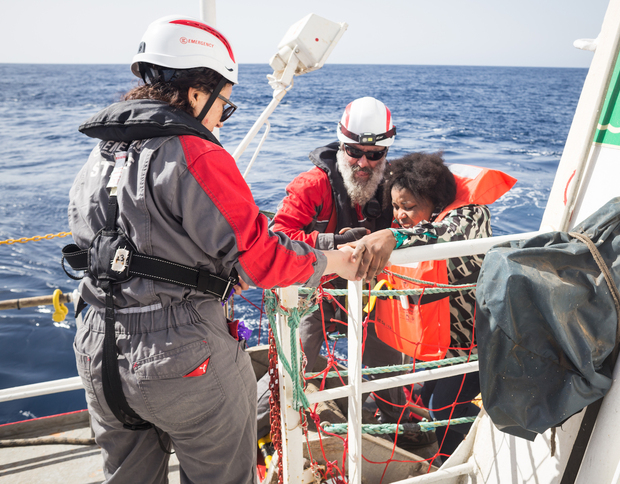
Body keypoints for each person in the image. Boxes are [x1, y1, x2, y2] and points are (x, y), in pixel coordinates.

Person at [64, 16, 361, 484]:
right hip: (182, 357)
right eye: (225, 103)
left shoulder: (101, 155)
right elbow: (260, 258)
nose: (224, 117)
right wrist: (330, 259)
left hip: (97, 348)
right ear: (198, 93)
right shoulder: (196, 153)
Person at [257, 97, 415, 439]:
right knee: (291, 369)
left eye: (374, 155)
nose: (363, 162)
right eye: (353, 151)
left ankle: (397, 422)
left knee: (387, 365)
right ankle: (249, 425)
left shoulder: (395, 187)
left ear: (386, 154)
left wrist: (394, 236)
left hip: (370, 296)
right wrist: (333, 245)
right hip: (313, 295)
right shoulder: (312, 185)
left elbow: (425, 219)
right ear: (340, 145)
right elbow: (278, 237)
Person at [351, 151, 515, 460]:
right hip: (447, 345)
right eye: (396, 207)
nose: (400, 216)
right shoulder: (413, 224)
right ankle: (465, 443)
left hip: (484, 342)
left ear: (436, 202)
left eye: (408, 207)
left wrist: (391, 235)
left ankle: (450, 467)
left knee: (442, 408)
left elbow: (444, 236)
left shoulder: (471, 217)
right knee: (429, 398)